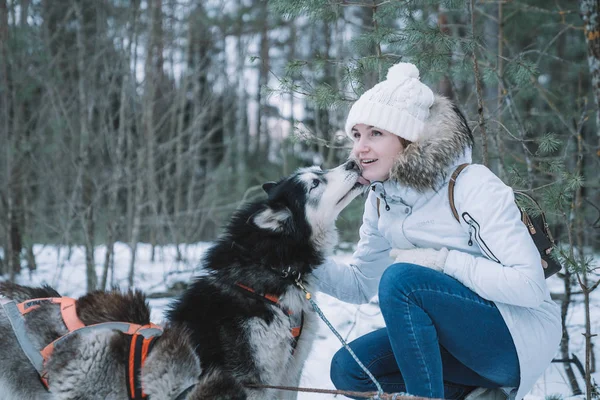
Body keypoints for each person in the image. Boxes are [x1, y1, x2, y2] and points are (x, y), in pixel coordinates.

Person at [313, 62, 561, 400]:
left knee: (402, 280)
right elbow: (360, 285)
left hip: (514, 339)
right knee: (350, 369)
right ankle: (473, 394)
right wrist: (299, 258)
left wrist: (440, 261)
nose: (359, 148)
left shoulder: (471, 184)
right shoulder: (380, 201)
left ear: (409, 138)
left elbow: (530, 286)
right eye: (356, 135)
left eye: (375, 133)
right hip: (451, 346)